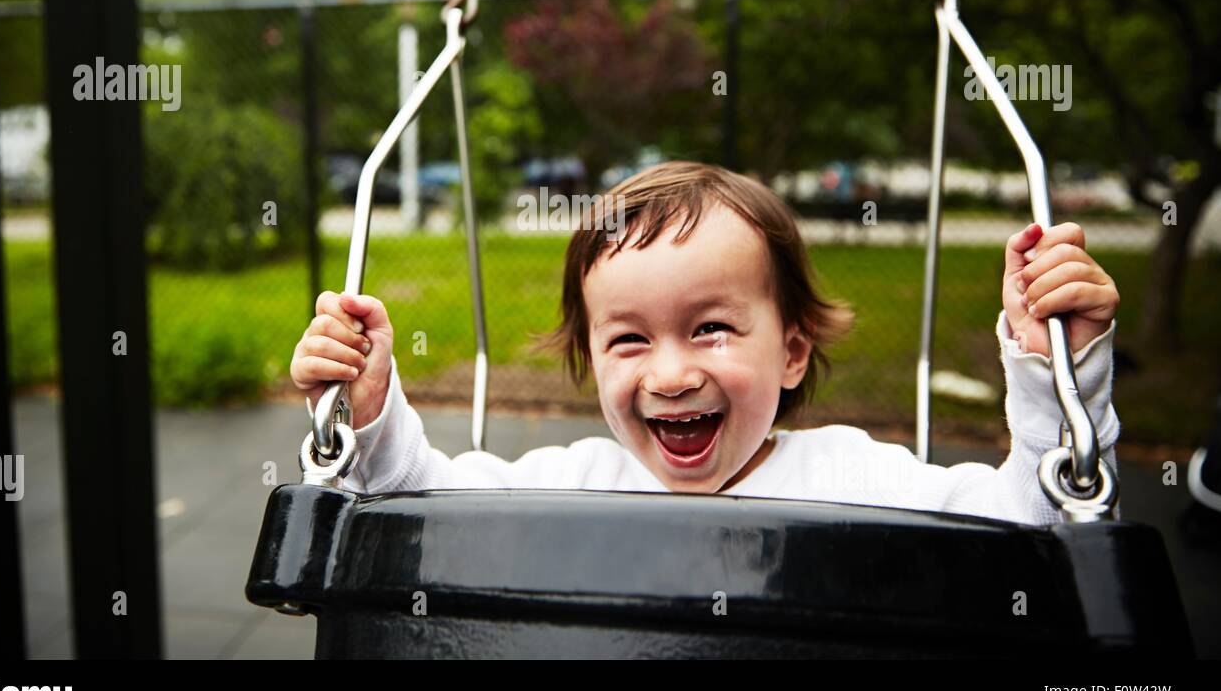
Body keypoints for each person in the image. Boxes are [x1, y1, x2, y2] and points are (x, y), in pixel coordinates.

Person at [290, 161, 1122, 525]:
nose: (674, 373)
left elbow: (1039, 523)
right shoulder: (569, 485)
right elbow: (414, 506)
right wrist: (365, 415)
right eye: (628, 339)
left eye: (711, 328)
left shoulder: (859, 477)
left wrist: (1057, 370)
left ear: (792, 351)